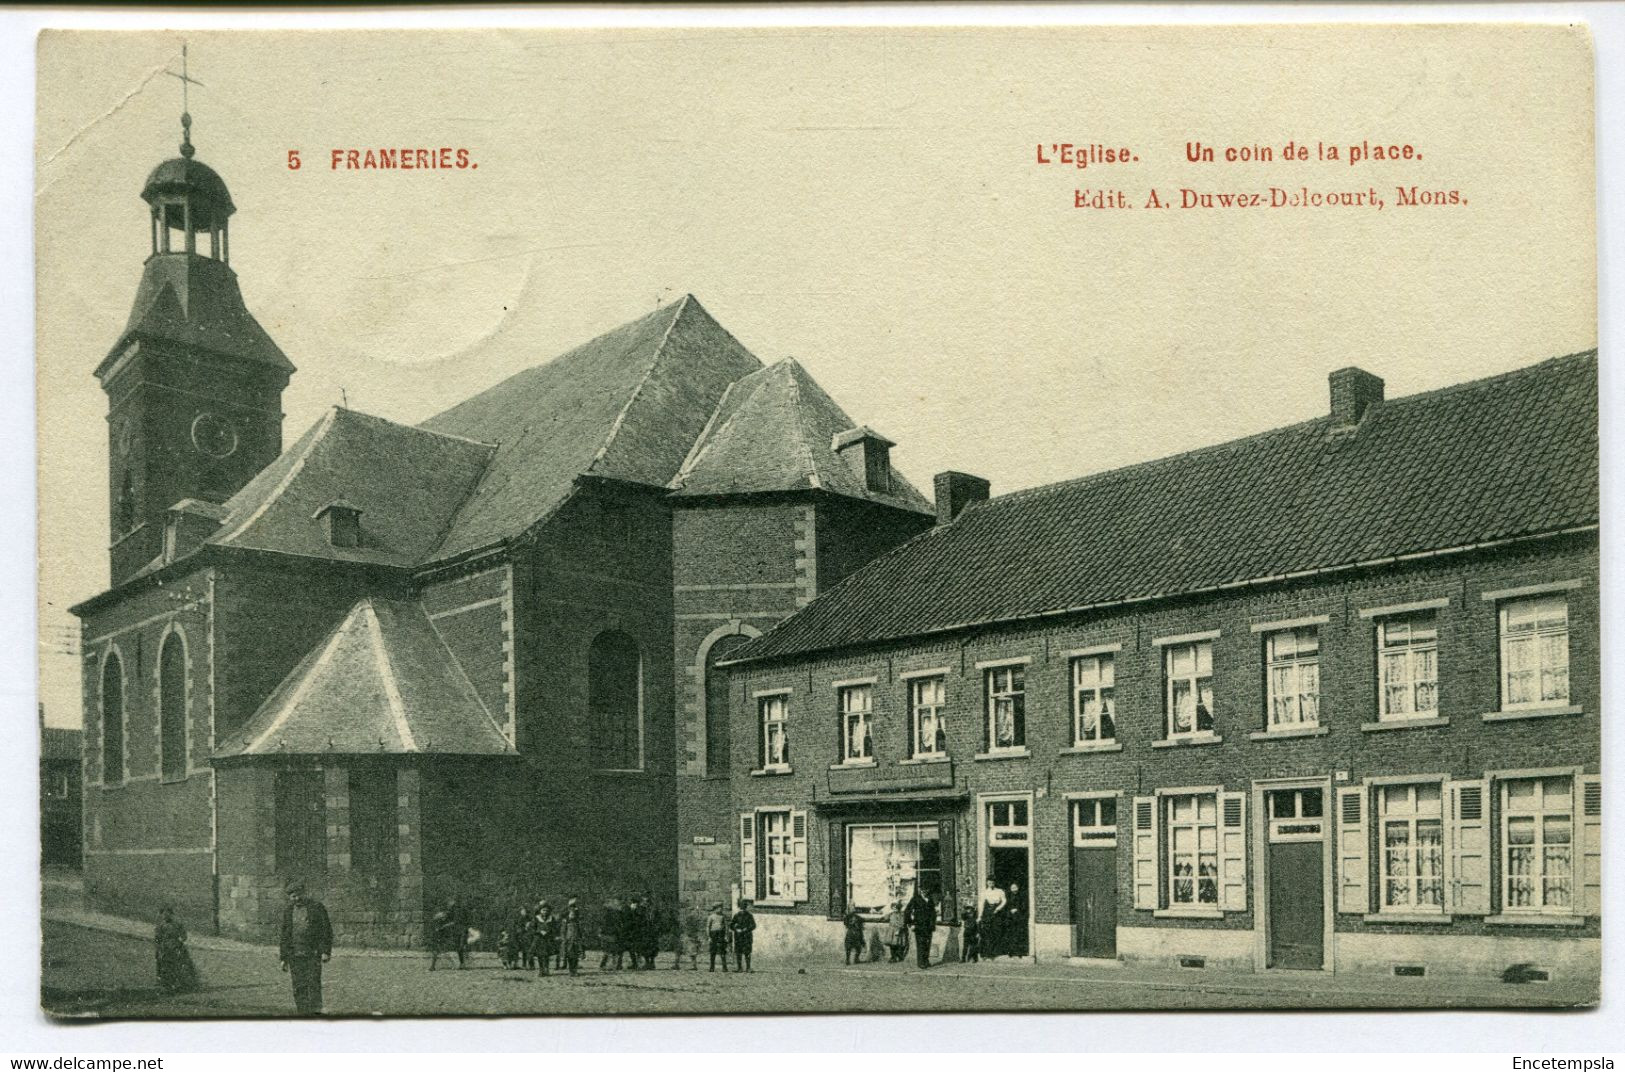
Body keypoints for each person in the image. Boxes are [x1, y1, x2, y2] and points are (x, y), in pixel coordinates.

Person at [279, 882, 332, 1016]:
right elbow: (285, 935)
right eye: (293, 896)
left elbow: (326, 930)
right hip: (295, 955)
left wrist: (325, 951)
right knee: (298, 985)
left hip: (312, 954)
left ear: (304, 893)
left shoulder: (316, 907)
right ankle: (302, 1012)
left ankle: (316, 1012)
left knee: (313, 983)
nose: (296, 899)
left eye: (298, 895)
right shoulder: (288, 911)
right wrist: (284, 958)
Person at [154, 905, 198, 993]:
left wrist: (180, 941)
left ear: (171, 914)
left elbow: (184, 936)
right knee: (163, 964)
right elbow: (157, 938)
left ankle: (182, 983)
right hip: (165, 947)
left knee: (179, 964)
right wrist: (158, 948)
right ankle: (164, 983)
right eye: (164, 914)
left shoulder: (177, 924)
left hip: (176, 947)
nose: (166, 916)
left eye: (168, 914)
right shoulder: (161, 926)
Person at [429, 897, 470, 971]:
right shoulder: (450, 911)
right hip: (454, 931)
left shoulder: (458, 911)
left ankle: (462, 964)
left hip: (461, 930)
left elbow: (455, 922)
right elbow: (442, 918)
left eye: (450, 905)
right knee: (458, 948)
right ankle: (461, 964)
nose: (449, 906)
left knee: (460, 947)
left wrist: (443, 926)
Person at [904, 887, 937, 969]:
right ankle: (921, 962)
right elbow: (907, 911)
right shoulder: (915, 899)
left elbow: (933, 913)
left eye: (926, 890)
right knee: (921, 944)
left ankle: (926, 960)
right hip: (919, 925)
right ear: (920, 890)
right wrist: (910, 923)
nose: (925, 891)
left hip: (928, 926)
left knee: (927, 943)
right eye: (923, 890)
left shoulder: (930, 899)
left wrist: (933, 923)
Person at [978, 877, 1007, 960]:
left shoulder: (1000, 891)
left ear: (995, 883)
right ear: (987, 883)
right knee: (986, 932)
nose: (991, 884)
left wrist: (998, 908)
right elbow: (981, 904)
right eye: (989, 882)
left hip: (996, 911)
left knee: (995, 931)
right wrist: (980, 916)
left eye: (992, 882)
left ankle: (994, 953)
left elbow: (1004, 901)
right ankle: (985, 953)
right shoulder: (984, 892)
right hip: (987, 912)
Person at [729, 899, 757, 973]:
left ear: (746, 907)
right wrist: (736, 929)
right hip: (738, 937)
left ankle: (748, 967)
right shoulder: (736, 915)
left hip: (747, 937)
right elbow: (731, 925)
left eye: (744, 907)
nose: (742, 909)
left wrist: (746, 929)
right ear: (739, 907)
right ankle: (739, 968)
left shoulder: (749, 915)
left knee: (747, 952)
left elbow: (753, 925)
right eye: (741, 908)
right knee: (738, 952)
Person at [534, 901, 559, 977]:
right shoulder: (536, 918)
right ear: (540, 911)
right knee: (540, 955)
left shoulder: (551, 918)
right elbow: (532, 928)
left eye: (546, 910)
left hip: (548, 939)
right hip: (539, 938)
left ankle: (546, 969)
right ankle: (541, 970)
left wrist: (550, 932)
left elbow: (555, 928)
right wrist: (539, 931)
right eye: (543, 910)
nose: (545, 912)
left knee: (547, 955)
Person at [599, 896, 624, 971]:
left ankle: (605, 964)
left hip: (608, 933)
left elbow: (602, 924)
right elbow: (617, 923)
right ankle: (612, 965)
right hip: (612, 933)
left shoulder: (607, 913)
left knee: (608, 950)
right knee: (613, 950)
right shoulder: (614, 913)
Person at [560, 898, 584, 976]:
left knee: (576, 957)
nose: (572, 916)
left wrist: (581, 939)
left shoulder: (577, 922)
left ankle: (575, 970)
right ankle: (571, 971)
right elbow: (563, 931)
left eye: (573, 915)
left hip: (576, 941)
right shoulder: (566, 922)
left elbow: (580, 932)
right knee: (570, 957)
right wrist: (564, 939)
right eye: (571, 914)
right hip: (568, 941)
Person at [678, 900, 704, 970]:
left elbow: (690, 927)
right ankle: (693, 965)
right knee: (692, 951)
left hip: (691, 936)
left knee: (692, 951)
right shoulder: (693, 918)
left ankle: (693, 965)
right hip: (691, 935)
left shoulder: (690, 918)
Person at [706, 902, 730, 972]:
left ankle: (724, 967)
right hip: (713, 934)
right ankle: (712, 967)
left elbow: (726, 926)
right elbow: (708, 927)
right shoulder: (711, 917)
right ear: (715, 909)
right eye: (719, 908)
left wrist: (726, 935)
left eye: (721, 908)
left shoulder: (723, 917)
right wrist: (709, 937)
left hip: (721, 934)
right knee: (713, 951)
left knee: (722, 951)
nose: (721, 909)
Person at [1005, 881, 1027, 957]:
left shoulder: (1021, 896)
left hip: (1018, 917)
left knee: (1019, 934)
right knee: (1010, 934)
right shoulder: (1008, 896)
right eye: (1012, 888)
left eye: (1015, 887)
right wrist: (1010, 910)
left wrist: (1017, 909)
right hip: (1010, 918)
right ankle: (1010, 952)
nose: (1014, 889)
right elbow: (1006, 905)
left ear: (1018, 888)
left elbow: (1024, 906)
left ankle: (1019, 952)